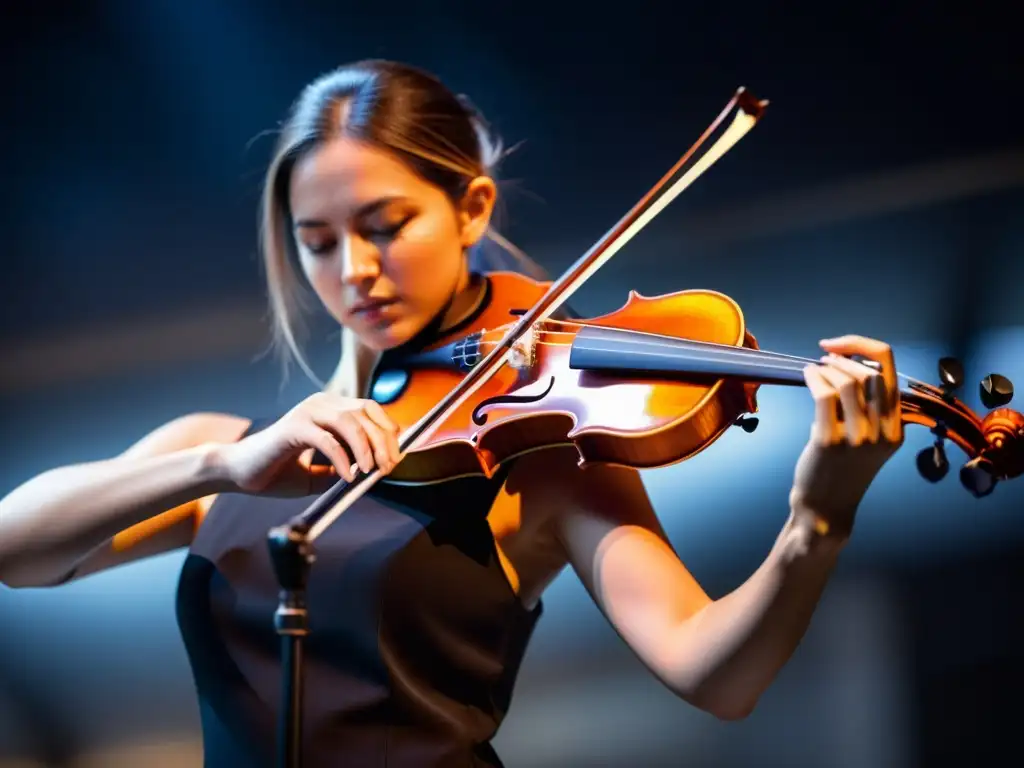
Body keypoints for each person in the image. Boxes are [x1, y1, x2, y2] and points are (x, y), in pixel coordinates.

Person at [0, 60, 904, 767]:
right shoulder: (223, 452)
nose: (352, 269)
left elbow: (715, 673)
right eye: (317, 242)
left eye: (385, 225)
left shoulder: (542, 462)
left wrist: (816, 521)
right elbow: (16, 551)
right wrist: (216, 470)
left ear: (471, 207)